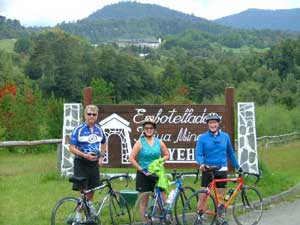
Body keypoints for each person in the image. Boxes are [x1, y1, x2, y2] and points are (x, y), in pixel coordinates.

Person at [195, 112, 241, 225]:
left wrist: (238, 167)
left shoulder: (225, 137)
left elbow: (230, 153)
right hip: (208, 169)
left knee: (221, 196)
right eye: (210, 122)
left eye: (214, 122)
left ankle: (220, 218)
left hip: (221, 169)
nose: (213, 125)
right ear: (207, 124)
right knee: (203, 196)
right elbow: (198, 154)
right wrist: (201, 163)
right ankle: (200, 217)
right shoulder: (202, 138)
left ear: (218, 123)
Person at [69, 104, 107, 221]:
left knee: (92, 189)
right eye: (89, 114)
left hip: (94, 164)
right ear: (85, 115)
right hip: (81, 163)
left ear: (97, 116)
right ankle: (78, 215)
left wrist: (101, 156)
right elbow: (71, 147)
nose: (91, 116)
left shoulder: (99, 129)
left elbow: (104, 142)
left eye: (94, 114)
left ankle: (88, 215)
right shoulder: (79, 129)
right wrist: (84, 155)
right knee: (83, 192)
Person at [129, 118, 170, 225]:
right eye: (146, 128)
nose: (149, 130)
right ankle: (145, 222)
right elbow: (131, 158)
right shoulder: (139, 143)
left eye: (151, 128)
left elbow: (167, 155)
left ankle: (162, 218)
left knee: (162, 200)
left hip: (157, 173)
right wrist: (141, 169)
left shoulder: (159, 142)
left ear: (154, 130)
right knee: (144, 200)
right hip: (144, 173)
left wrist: (160, 161)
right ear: (143, 130)